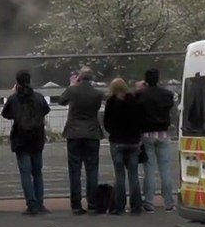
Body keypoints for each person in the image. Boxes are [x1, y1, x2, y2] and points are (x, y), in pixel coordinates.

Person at [2, 70, 50, 215]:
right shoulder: (39, 97)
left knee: (25, 172)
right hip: (37, 138)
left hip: (21, 139)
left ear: (17, 82)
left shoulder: (14, 99)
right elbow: (45, 110)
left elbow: (6, 114)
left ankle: (31, 204)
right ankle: (40, 203)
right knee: (37, 172)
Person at [58, 67, 105, 215]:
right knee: (92, 170)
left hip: (74, 133)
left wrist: (72, 85)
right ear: (91, 78)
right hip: (92, 132)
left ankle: (76, 204)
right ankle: (92, 203)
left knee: (75, 170)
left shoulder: (72, 91)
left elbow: (61, 101)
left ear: (79, 77)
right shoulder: (97, 93)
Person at [136, 68, 176, 212]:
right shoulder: (167, 94)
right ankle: (169, 202)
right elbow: (170, 108)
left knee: (149, 169)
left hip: (147, 133)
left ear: (146, 79)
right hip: (163, 132)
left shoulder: (140, 95)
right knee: (165, 169)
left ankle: (149, 201)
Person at [103, 78, 146, 215]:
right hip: (133, 142)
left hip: (117, 141)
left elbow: (106, 121)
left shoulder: (111, 102)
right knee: (133, 175)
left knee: (119, 175)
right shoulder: (133, 100)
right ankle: (136, 206)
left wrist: (113, 132)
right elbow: (140, 121)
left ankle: (119, 206)